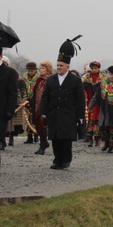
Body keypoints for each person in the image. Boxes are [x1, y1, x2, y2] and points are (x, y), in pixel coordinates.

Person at [40, 36, 86, 169]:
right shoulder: (51, 79)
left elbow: (80, 99)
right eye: (57, 65)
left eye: (61, 66)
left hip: (68, 113)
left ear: (67, 66)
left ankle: (66, 160)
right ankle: (57, 160)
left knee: (65, 138)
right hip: (54, 112)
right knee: (55, 138)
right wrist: (43, 111)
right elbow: (45, 96)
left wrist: (81, 115)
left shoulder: (75, 80)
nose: (58, 67)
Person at [31, 61, 54, 155]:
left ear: (48, 69)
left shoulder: (51, 79)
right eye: (40, 68)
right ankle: (43, 142)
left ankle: (43, 144)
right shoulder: (39, 80)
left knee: (44, 125)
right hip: (37, 105)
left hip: (46, 106)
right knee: (38, 125)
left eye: (43, 68)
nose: (41, 70)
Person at [81, 61, 104, 147]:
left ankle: (98, 139)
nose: (94, 70)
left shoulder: (103, 77)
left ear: (98, 69)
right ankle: (90, 139)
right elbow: (81, 88)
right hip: (89, 100)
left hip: (99, 102)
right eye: (93, 68)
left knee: (98, 120)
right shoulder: (86, 77)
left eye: (96, 68)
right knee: (89, 120)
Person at [22, 62, 40, 144]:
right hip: (26, 98)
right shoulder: (24, 77)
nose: (30, 72)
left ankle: (36, 135)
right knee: (27, 118)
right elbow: (23, 88)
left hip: (36, 99)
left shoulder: (39, 77)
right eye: (29, 70)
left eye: (32, 70)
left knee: (35, 118)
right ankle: (29, 136)